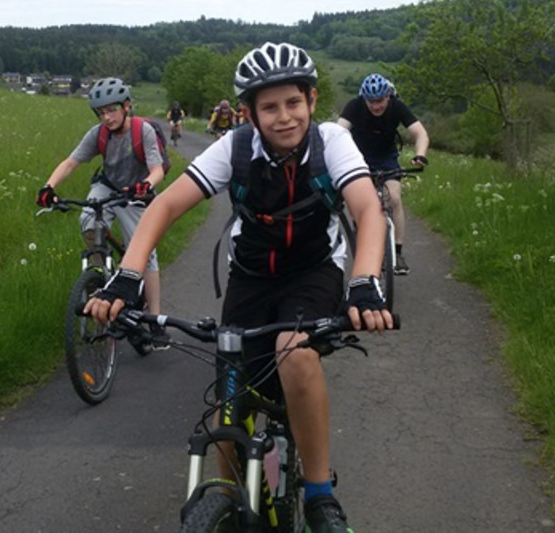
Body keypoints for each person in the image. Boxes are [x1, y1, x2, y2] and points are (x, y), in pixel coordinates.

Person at [88, 43, 393, 533]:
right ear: (249, 113)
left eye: (293, 103)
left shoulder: (332, 142)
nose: (284, 117)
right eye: (268, 107)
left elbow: (365, 208)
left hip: (314, 271)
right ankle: (229, 503)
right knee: (228, 391)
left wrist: (363, 283)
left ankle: (319, 497)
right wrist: (125, 277)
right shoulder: (234, 148)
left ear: (311, 101)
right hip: (251, 275)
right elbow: (164, 207)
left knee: (293, 352)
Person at [37, 77, 164, 332]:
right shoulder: (98, 134)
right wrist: (48, 187)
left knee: (146, 253)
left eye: (111, 110)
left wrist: (146, 185)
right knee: (87, 220)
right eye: (101, 112)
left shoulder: (143, 131)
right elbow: (71, 162)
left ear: (126, 105)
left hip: (136, 192)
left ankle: (155, 320)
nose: (106, 117)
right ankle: (104, 276)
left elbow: (157, 169)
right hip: (107, 186)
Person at [336, 73, 430, 275]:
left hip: (386, 158)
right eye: (371, 101)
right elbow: (338, 132)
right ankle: (364, 247)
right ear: (364, 99)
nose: (376, 106)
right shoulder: (355, 106)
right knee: (358, 206)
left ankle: (397, 252)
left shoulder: (397, 107)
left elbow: (420, 133)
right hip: (358, 158)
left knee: (394, 198)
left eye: (380, 100)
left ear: (388, 96)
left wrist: (420, 155)